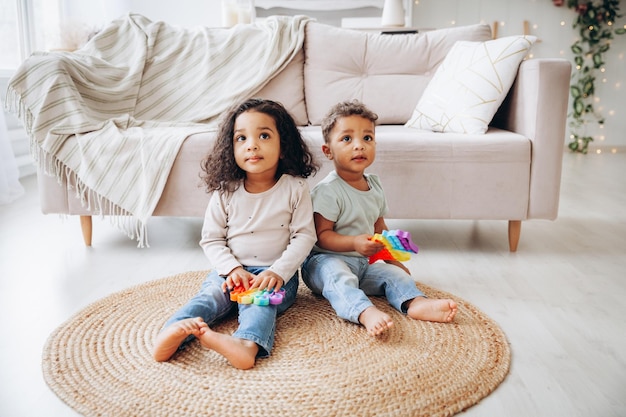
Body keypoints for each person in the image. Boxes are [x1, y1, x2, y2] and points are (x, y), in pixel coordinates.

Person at [153, 98, 318, 369]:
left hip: (274, 276)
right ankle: (171, 332)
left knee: (259, 305)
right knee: (209, 298)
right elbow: (212, 238)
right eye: (241, 138)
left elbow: (304, 237)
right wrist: (231, 270)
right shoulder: (226, 191)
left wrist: (277, 272)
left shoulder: (295, 188)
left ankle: (246, 344)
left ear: (283, 145)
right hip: (229, 273)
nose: (252, 144)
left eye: (264, 135)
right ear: (230, 148)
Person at [302, 100, 457, 337]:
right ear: (328, 150)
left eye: (367, 138)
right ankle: (364, 311)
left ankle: (414, 303)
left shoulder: (374, 185)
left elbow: (380, 229)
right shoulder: (328, 191)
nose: (359, 146)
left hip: (362, 265)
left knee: (393, 276)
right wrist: (354, 243)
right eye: (347, 139)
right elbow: (321, 237)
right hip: (324, 263)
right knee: (338, 274)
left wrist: (394, 262)